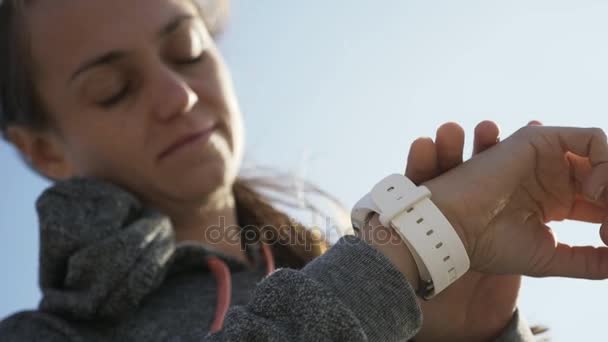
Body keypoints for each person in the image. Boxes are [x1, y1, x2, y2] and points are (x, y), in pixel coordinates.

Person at [0, 0, 607, 341]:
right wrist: (396, 256)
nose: (177, 97)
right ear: (42, 150)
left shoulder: (343, 269)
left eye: (186, 51)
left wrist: (474, 333)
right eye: (113, 89)